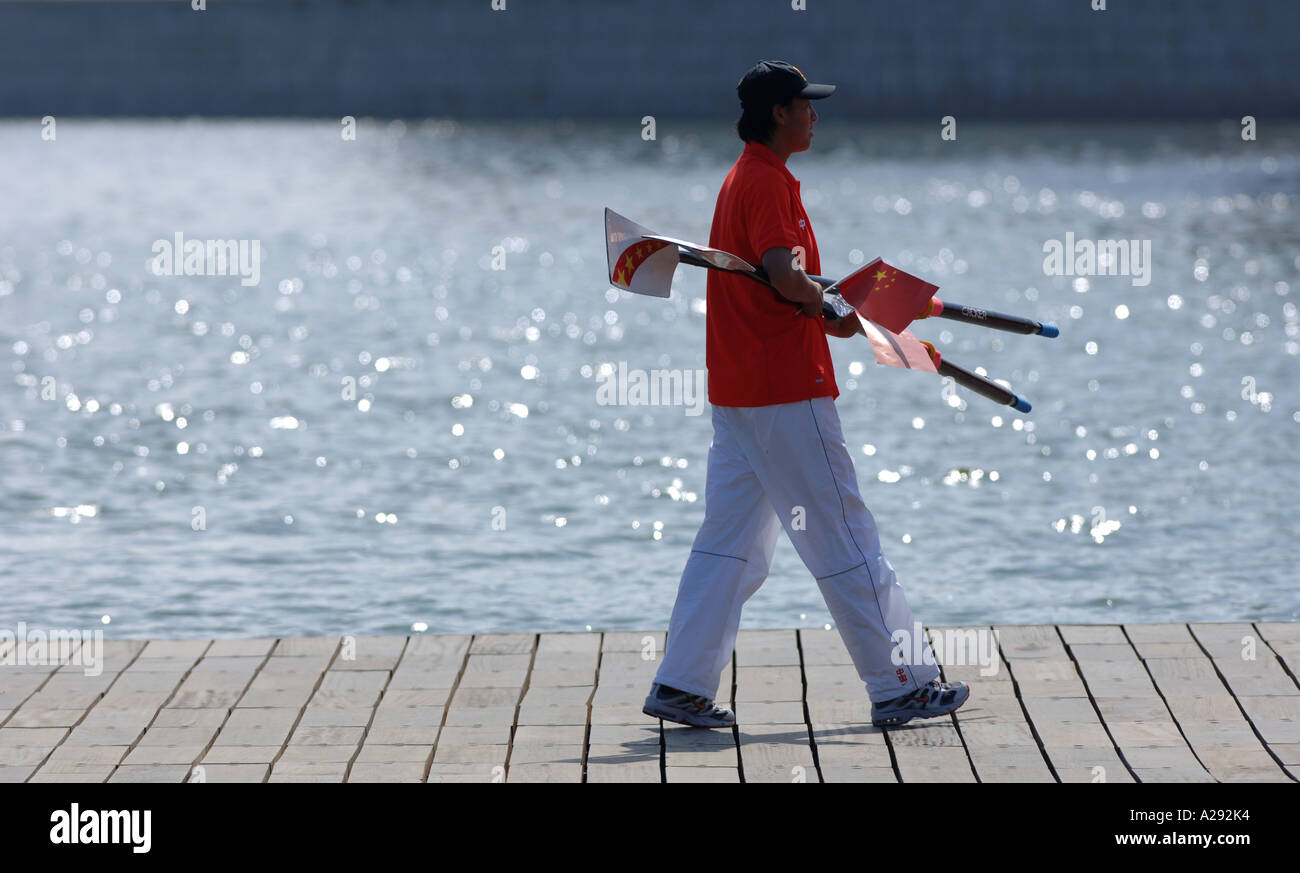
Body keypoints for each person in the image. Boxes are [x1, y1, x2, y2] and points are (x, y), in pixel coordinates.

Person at [642, 60, 970, 729]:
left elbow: (784, 278)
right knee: (845, 533)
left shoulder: (746, 177)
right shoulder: (766, 182)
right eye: (805, 106)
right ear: (778, 115)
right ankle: (902, 681)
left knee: (730, 545)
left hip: (741, 394)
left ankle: (682, 681)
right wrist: (827, 306)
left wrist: (830, 304)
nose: (815, 116)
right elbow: (782, 273)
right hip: (787, 393)